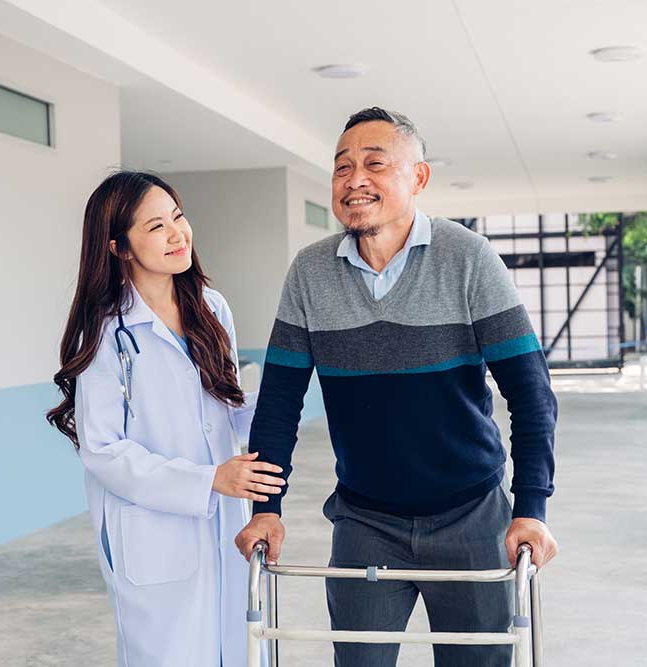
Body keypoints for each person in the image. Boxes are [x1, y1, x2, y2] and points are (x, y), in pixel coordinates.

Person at [236, 108, 560, 666]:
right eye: (342, 167)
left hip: (472, 516)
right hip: (364, 521)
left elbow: (531, 393)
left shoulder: (470, 259)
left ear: (418, 178)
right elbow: (281, 400)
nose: (354, 179)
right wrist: (267, 506)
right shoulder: (310, 273)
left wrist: (530, 507)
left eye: (374, 164)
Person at [48, 171, 280, 667]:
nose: (178, 234)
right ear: (120, 247)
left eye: (178, 216)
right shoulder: (107, 331)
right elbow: (104, 451)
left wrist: (282, 398)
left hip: (223, 524)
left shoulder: (211, 307)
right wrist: (208, 479)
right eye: (156, 226)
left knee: (239, 651)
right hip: (154, 535)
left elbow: (226, 408)